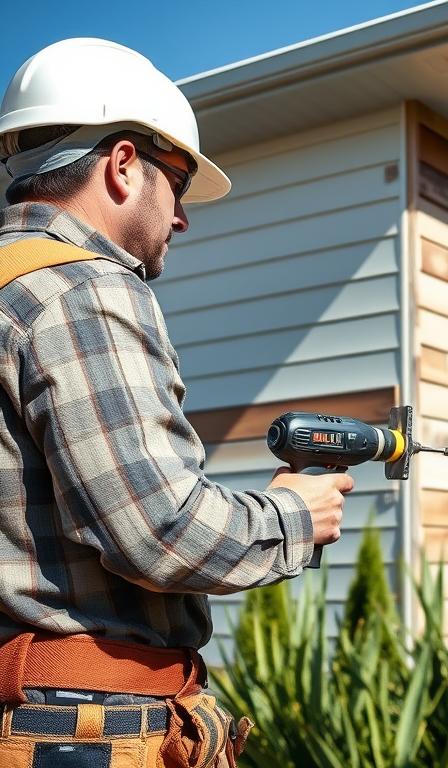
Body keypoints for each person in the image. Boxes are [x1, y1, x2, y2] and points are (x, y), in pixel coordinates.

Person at [0, 38, 354, 767]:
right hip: (82, 731)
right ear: (123, 164)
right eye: (180, 180)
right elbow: (157, 530)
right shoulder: (83, 290)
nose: (183, 216)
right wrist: (296, 515)